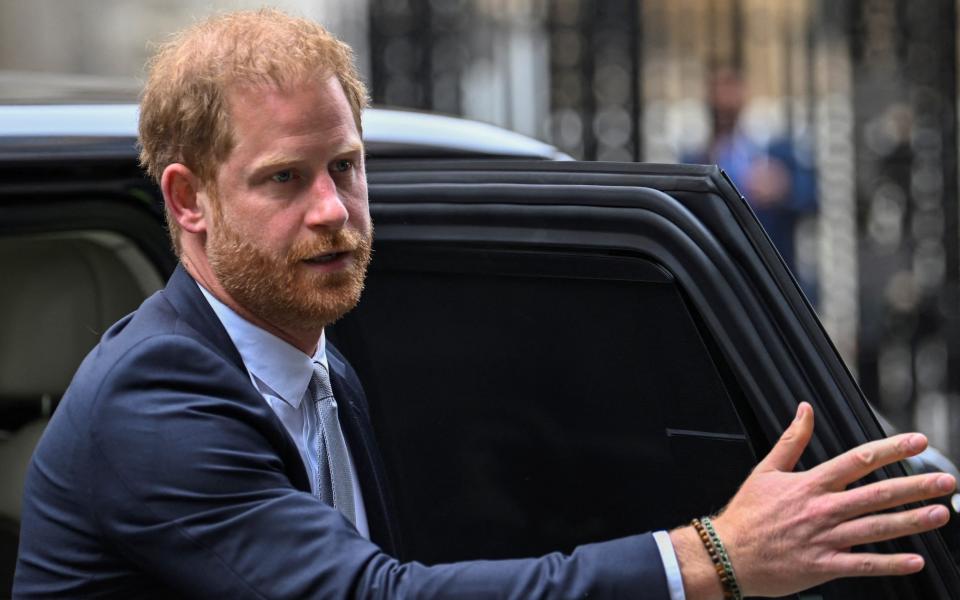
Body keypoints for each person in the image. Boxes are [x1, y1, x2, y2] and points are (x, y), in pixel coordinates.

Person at [13, 10, 954, 599]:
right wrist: (714, 555)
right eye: (283, 180)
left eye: (344, 166)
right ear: (188, 202)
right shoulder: (156, 400)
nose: (334, 210)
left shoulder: (313, 355)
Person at [685, 66, 818, 302]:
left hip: (775, 280)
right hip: (722, 283)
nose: (725, 100)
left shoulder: (774, 148)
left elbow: (812, 197)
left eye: (730, 89)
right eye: (718, 91)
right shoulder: (698, 156)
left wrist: (782, 187)